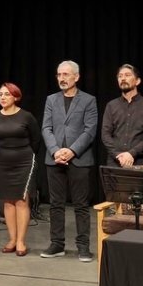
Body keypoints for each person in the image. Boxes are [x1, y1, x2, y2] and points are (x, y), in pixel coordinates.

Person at [40, 60, 98, 261]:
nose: (62, 78)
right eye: (59, 75)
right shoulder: (51, 99)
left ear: (76, 77)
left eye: (66, 74)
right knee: (56, 204)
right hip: (54, 158)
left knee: (81, 205)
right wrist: (55, 151)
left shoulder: (88, 100)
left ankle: (83, 247)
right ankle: (57, 244)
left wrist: (72, 151)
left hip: (79, 158)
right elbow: (46, 128)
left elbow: (90, 130)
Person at [0, 82, 42, 257]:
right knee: (7, 202)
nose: (3, 97)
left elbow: (36, 140)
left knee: (21, 201)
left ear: (16, 96)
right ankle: (12, 239)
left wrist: (26, 154)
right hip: (2, 164)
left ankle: (21, 241)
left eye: (7, 94)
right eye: (0, 94)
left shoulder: (26, 117)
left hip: (24, 163)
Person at [100, 64, 143, 168]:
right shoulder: (111, 106)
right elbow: (105, 134)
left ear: (137, 81)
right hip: (115, 162)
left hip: (140, 162)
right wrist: (118, 155)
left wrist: (131, 153)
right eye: (120, 76)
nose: (123, 78)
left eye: (127, 75)